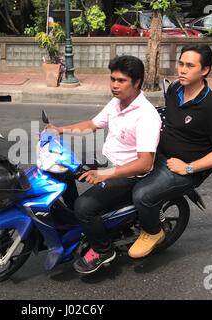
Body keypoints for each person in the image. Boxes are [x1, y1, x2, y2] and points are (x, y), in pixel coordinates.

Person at [46, 55, 162, 274]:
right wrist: (59, 130)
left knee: (83, 207)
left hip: (128, 175)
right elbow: (92, 124)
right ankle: (79, 225)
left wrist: (105, 174)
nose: (115, 85)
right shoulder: (117, 103)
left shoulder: (146, 116)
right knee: (63, 171)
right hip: (108, 162)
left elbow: (145, 164)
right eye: (112, 79)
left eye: (121, 81)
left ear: (136, 83)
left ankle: (102, 249)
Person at [128, 44, 212, 259]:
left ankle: (153, 232)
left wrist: (188, 167)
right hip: (160, 154)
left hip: (182, 169)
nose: (182, 70)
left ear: (204, 70)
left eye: (189, 66)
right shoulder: (175, 88)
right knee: (123, 173)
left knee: (142, 195)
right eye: (181, 64)